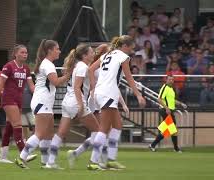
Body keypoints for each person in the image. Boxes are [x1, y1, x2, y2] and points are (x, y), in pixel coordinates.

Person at [87, 35, 146, 171]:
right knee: (104, 128)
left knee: (118, 125)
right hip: (108, 93)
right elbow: (129, 78)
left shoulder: (107, 54)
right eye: (131, 48)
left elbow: (90, 69)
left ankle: (111, 160)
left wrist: (93, 87)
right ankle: (93, 161)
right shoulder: (123, 57)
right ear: (125, 46)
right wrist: (138, 95)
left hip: (102, 92)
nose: (131, 51)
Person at [15, 39, 71, 168]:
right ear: (50, 50)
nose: (59, 51)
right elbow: (56, 82)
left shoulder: (46, 63)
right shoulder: (48, 64)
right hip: (42, 101)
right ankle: (21, 157)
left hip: (44, 102)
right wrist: (68, 74)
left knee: (48, 134)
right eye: (57, 48)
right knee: (40, 134)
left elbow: (53, 82)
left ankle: (46, 163)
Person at [43, 44, 100, 169]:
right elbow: (77, 87)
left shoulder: (79, 66)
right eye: (91, 52)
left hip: (67, 102)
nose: (93, 54)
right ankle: (89, 159)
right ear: (84, 56)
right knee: (98, 131)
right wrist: (80, 105)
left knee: (61, 133)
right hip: (75, 102)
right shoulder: (82, 67)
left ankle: (50, 162)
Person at [0, 44, 36, 164]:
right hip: (8, 99)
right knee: (18, 125)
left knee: (9, 127)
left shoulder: (26, 68)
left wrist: (41, 93)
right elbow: (0, 85)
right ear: (15, 54)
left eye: (26, 52)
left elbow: (32, 86)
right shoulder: (9, 66)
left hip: (18, 100)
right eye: (22, 52)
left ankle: (2, 157)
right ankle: (24, 153)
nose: (24, 54)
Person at [149, 75, 187, 153]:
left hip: (170, 110)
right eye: (169, 79)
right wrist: (166, 108)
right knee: (171, 129)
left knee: (170, 130)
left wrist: (180, 104)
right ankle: (175, 148)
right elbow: (159, 99)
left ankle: (153, 145)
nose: (171, 81)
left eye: (172, 80)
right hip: (165, 110)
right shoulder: (165, 87)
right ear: (166, 80)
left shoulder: (171, 89)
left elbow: (172, 100)